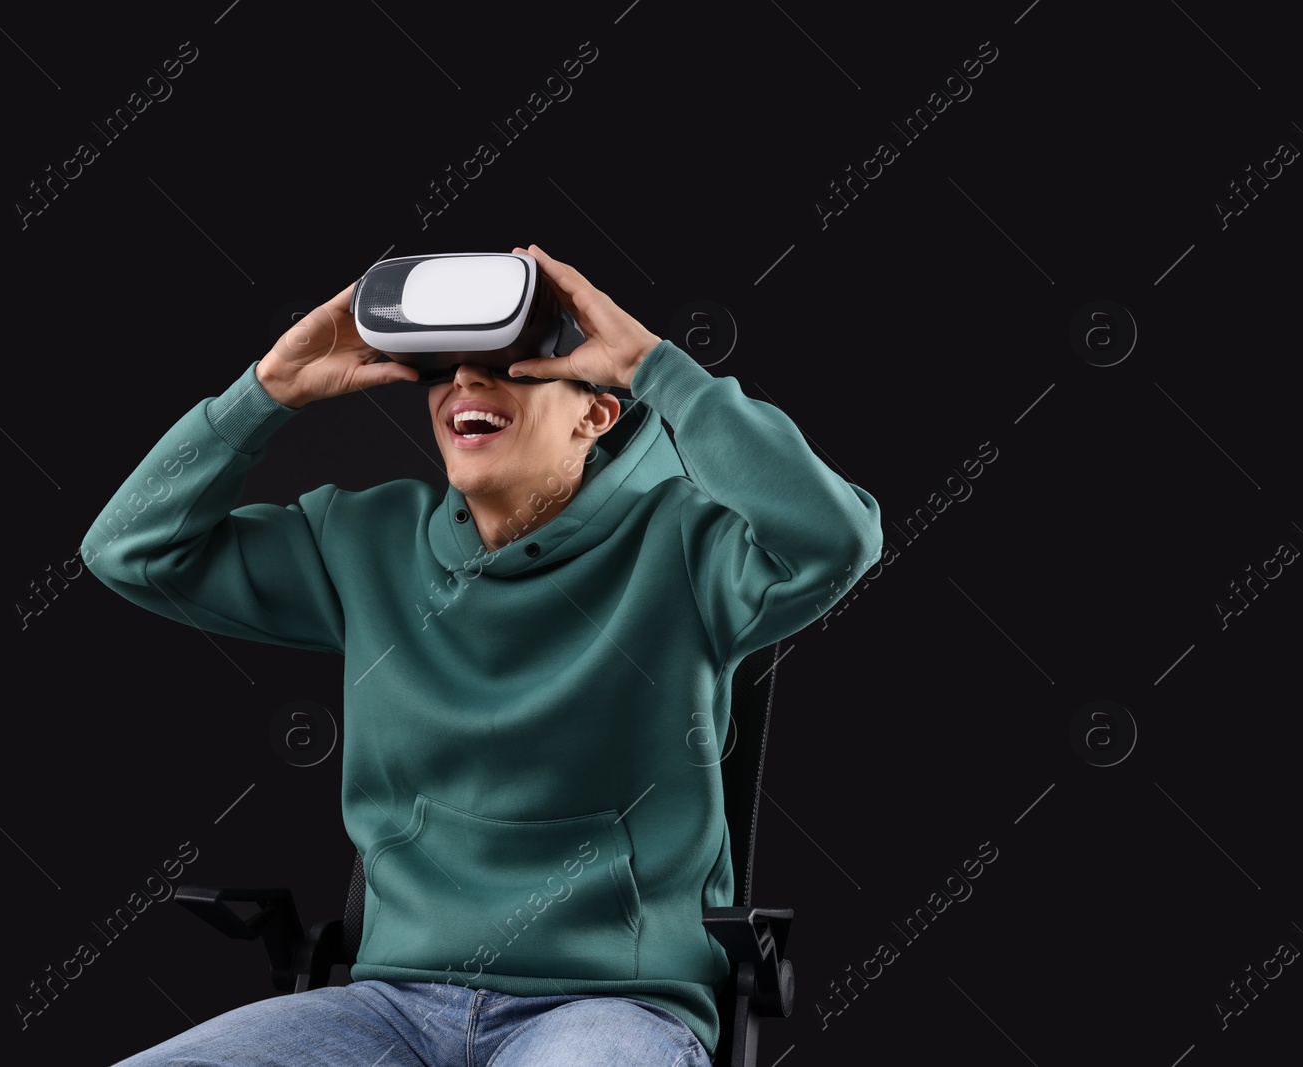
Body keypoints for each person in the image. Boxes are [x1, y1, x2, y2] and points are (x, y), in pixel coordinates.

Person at [85, 244, 883, 1066]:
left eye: (511, 366)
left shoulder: (683, 546)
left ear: (595, 413)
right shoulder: (360, 544)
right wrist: (265, 393)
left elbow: (838, 539)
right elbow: (130, 550)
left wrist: (656, 368)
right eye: (450, 369)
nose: (468, 383)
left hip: (606, 1008)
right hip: (389, 1004)